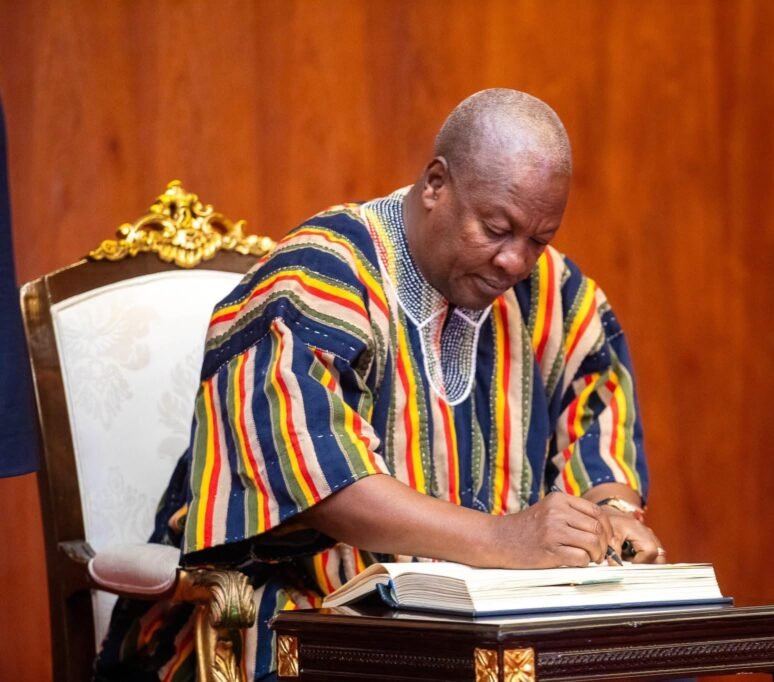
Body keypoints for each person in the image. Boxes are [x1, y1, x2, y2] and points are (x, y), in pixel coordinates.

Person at [97, 88, 664, 681]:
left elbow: (598, 422)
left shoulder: (559, 299)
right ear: (436, 185)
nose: (515, 262)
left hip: (491, 635)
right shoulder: (320, 277)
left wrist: (612, 517)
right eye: (497, 228)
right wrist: (504, 539)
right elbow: (321, 482)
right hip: (299, 628)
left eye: (538, 240)